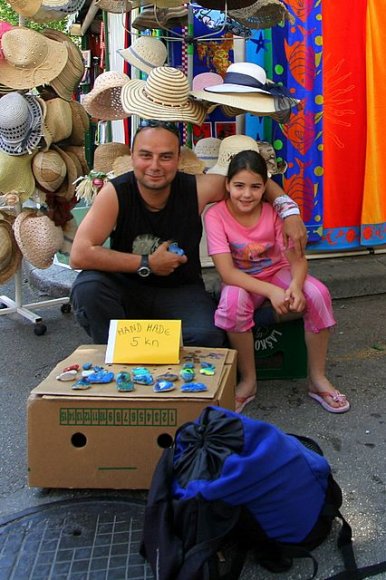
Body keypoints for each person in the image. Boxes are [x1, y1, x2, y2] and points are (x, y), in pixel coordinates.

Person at [70, 120, 307, 346]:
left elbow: (255, 181)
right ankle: (115, 353)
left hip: (179, 290)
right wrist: (147, 262)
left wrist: (290, 212)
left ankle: (142, 344)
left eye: (165, 157)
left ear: (178, 159)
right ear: (132, 157)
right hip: (127, 287)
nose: (154, 166)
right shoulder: (115, 193)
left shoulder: (197, 188)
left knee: (208, 337)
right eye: (145, 155)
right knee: (88, 289)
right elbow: (79, 254)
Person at [204, 150, 350, 414]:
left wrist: (295, 285)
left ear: (265, 188)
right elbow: (227, 273)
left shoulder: (275, 213)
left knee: (318, 293)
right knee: (232, 302)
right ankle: (248, 381)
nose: (246, 194)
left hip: (277, 272)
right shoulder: (215, 215)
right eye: (239, 186)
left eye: (255, 187)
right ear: (227, 185)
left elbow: (298, 261)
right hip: (242, 279)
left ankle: (317, 379)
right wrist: (272, 291)